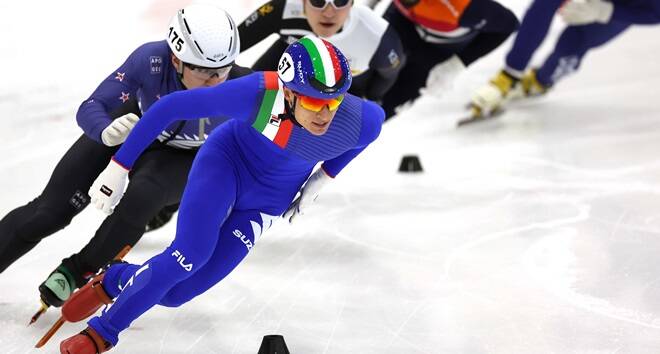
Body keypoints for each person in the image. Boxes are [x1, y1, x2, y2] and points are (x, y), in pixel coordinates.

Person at [56, 35, 383, 353]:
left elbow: (367, 134)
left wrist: (324, 177)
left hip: (267, 203)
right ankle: (99, 335)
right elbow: (169, 108)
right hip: (226, 166)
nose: (325, 115)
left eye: (333, 101)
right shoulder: (259, 94)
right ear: (288, 92)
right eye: (313, 101)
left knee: (175, 294)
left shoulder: (361, 121)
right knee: (189, 256)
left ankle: (116, 278)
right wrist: (119, 165)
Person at [0, 4, 249, 310]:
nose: (215, 81)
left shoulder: (241, 84)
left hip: (179, 160)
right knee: (48, 213)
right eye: (203, 70)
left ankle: (77, 269)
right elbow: (91, 105)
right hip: (128, 129)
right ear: (176, 59)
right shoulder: (151, 60)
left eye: (222, 69)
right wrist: (105, 131)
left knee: (143, 195)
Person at [470, 0, 660, 116]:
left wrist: (606, 11)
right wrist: (512, 70)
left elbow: (656, 13)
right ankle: (509, 76)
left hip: (626, 7)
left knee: (575, 39)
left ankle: (541, 80)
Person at [368, 0, 519, 119]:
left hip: (439, 49)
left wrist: (457, 64)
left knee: (390, 103)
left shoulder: (464, 7)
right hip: (403, 21)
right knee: (362, 73)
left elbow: (508, 24)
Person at [238, 0, 405, 103]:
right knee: (246, 92)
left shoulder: (378, 37)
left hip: (346, 87)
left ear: (352, 3)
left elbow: (388, 75)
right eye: (318, 1)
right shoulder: (282, 9)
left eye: (339, 1)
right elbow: (233, 41)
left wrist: (373, 96)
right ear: (302, 2)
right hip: (289, 60)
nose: (329, 13)